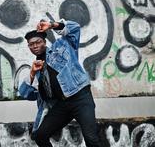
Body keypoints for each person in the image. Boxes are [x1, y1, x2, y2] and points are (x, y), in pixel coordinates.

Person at [18, 19, 100, 147]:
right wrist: (32, 73)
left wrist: (51, 25)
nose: (34, 46)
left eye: (38, 42)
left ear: (44, 43)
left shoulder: (61, 47)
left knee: (91, 138)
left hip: (80, 98)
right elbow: (25, 94)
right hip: (62, 105)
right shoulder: (36, 69)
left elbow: (75, 28)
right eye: (31, 44)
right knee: (40, 136)